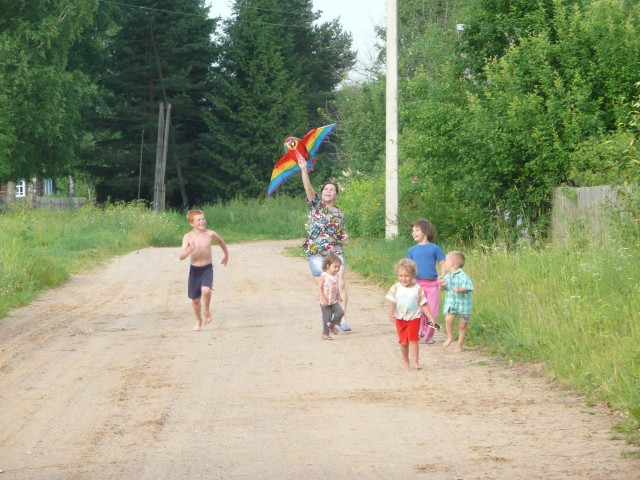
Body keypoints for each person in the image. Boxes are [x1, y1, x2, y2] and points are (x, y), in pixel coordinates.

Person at [297, 156, 352, 332]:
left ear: (336, 195)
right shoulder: (316, 205)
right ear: (321, 193)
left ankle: (342, 319)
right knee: (323, 286)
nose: (328, 191)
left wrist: (345, 237)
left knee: (340, 283)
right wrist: (304, 169)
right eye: (326, 189)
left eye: (332, 189)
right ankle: (327, 319)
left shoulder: (340, 213)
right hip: (316, 252)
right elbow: (307, 187)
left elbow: (341, 232)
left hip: (335, 252)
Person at [179, 209, 229, 331]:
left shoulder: (210, 234)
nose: (202, 221)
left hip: (207, 268)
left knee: (206, 291)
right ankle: (198, 320)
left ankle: (206, 310)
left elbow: (221, 241)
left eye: (203, 219)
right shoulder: (188, 237)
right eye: (199, 220)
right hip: (195, 270)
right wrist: (190, 250)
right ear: (192, 223)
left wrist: (226, 254)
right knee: (195, 300)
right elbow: (181, 256)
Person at [386, 258, 436, 370]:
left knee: (413, 339)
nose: (403, 279)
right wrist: (391, 314)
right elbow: (392, 302)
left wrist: (430, 317)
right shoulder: (395, 288)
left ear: (413, 275)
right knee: (403, 341)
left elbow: (424, 304)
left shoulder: (418, 289)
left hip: (414, 318)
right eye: (401, 276)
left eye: (406, 276)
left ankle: (416, 362)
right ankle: (405, 361)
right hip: (400, 319)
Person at [407, 219, 446, 344]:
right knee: (419, 310)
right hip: (417, 284)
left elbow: (443, 263)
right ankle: (420, 331)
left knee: (432, 311)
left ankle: (429, 336)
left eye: (417, 230)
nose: (414, 233)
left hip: (433, 284)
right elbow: (408, 267)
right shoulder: (412, 250)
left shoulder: (434, 248)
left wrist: (442, 276)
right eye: (412, 231)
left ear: (425, 231)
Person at [439, 251, 474, 352]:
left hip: (464, 305)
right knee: (448, 320)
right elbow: (442, 290)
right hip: (451, 304)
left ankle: (460, 343)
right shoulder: (447, 276)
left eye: (446, 261)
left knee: (462, 325)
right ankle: (450, 337)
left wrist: (460, 289)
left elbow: (469, 287)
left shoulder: (463, 276)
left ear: (452, 263)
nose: (444, 263)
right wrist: (441, 285)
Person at [318, 253, 345, 340]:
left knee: (340, 312)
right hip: (325, 302)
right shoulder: (324, 276)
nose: (337, 269)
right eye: (335, 266)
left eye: (338, 267)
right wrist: (322, 298)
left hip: (334, 301)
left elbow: (336, 287)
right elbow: (319, 287)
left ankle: (333, 325)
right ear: (328, 265)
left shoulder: (336, 275)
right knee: (327, 318)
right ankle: (325, 334)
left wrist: (339, 295)